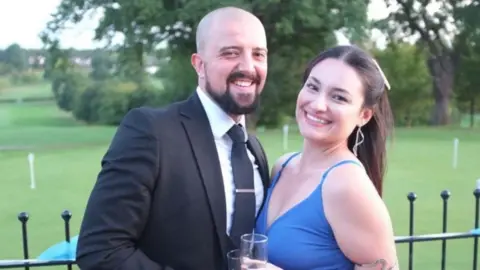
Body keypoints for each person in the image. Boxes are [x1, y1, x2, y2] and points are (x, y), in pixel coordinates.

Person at [75, 6, 271, 270]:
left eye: (258, 54)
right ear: (199, 64)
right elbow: (101, 251)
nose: (248, 66)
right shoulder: (152, 131)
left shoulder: (253, 150)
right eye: (230, 53)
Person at [254, 45, 398, 270]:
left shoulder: (346, 186)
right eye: (312, 87)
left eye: (339, 97)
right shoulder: (283, 166)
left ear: (364, 115)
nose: (318, 104)